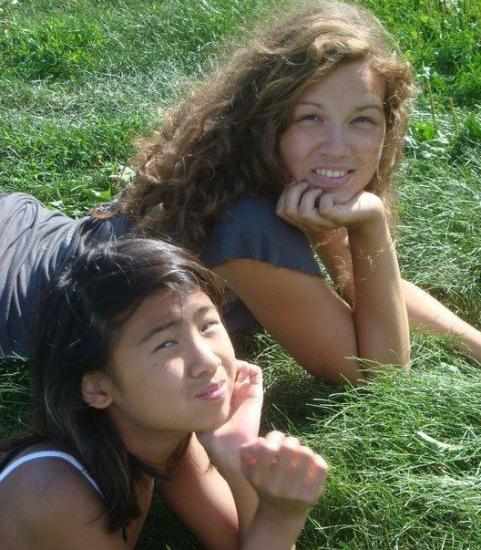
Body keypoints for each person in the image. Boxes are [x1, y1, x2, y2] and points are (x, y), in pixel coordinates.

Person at [1, 0, 480, 382]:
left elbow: (362, 284)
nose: (338, 147)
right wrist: (371, 226)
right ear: (267, 122)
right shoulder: (245, 220)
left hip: (36, 233)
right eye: (309, 117)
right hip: (19, 296)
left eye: (362, 120)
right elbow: (376, 372)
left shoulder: (285, 176)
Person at [0, 238, 328, 549]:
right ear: (98, 387)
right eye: (166, 344)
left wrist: (237, 453)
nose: (208, 361)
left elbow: (239, 544)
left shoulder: (165, 436)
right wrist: (279, 519)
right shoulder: (52, 492)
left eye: (207, 325)